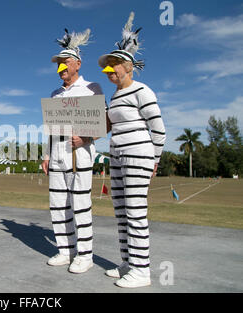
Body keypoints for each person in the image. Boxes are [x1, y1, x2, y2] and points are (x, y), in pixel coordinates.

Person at [97, 12, 166, 288]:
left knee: (136, 212)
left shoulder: (142, 91)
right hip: (117, 157)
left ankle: (142, 270)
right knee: (121, 211)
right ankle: (127, 262)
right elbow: (107, 127)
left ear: (126, 66)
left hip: (138, 156)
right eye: (108, 69)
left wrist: (155, 161)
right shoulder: (114, 97)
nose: (109, 72)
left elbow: (158, 130)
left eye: (113, 67)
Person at [41, 28, 104, 274]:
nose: (61, 67)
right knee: (58, 205)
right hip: (56, 155)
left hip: (80, 156)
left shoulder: (92, 87)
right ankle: (65, 250)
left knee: (80, 205)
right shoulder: (54, 94)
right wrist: (46, 155)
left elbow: (104, 122)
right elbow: (50, 130)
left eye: (64, 62)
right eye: (58, 63)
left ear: (77, 63)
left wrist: (86, 137)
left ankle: (85, 255)